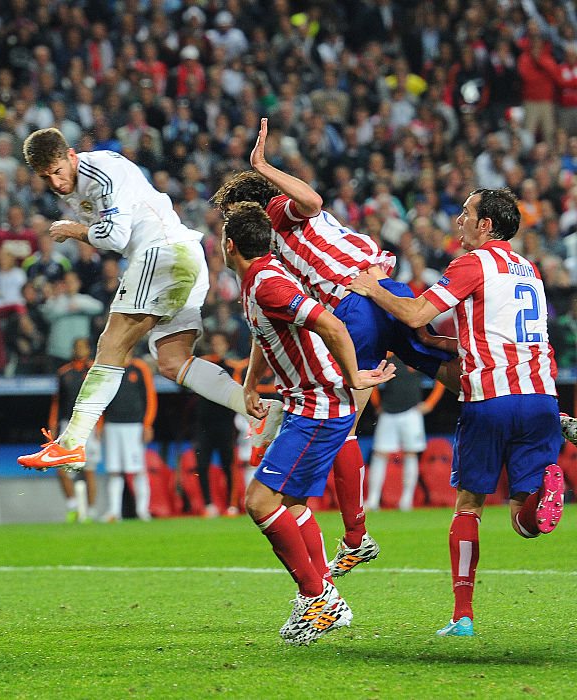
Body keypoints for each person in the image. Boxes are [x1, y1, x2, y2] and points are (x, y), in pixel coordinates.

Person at [211, 118, 459, 578]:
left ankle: (356, 538)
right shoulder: (273, 252)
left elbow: (311, 200)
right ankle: (536, 408)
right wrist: (250, 379)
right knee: (444, 368)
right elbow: (269, 327)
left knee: (341, 419)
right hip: (383, 290)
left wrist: (263, 165)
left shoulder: (278, 215)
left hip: (352, 305)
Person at [348, 187, 565, 638]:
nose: (458, 220)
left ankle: (462, 616)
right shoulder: (529, 270)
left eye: (466, 213)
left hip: (490, 398)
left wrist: (373, 288)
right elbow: (498, 335)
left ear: (486, 225)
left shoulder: (472, 263)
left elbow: (414, 313)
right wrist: (435, 342)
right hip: (541, 396)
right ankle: (542, 495)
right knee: (523, 522)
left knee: (469, 505)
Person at [17, 127, 282, 471]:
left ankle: (71, 443)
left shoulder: (100, 172)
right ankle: (258, 412)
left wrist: (74, 230)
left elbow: (115, 236)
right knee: (173, 361)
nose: (55, 182)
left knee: (112, 344)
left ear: (70, 155)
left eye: (57, 171)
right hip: (184, 257)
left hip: (162, 254)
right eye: (45, 177)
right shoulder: (78, 185)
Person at [223, 201, 394, 645]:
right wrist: (250, 383)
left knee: (260, 502)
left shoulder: (269, 283)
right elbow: (266, 334)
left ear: (229, 244)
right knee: (292, 504)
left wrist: (354, 375)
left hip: (319, 405)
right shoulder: (259, 280)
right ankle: (325, 595)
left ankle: (317, 598)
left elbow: (331, 325)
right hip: (309, 403)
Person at [366, 358, 444, 512]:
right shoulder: (387, 356)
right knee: (380, 454)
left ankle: (407, 501)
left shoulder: (416, 355)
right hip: (388, 411)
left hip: (412, 412)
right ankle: (373, 500)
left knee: (411, 454)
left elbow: (440, 379)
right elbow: (372, 380)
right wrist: (377, 403)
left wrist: (430, 403)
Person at [191, 332, 243, 517]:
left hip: (225, 421)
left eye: (220, 343)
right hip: (204, 422)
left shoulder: (232, 367)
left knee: (228, 463)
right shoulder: (202, 364)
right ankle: (208, 504)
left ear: (226, 346)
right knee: (202, 464)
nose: (217, 346)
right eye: (214, 343)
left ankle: (231, 504)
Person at [48, 338, 101, 522]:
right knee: (62, 469)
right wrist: (53, 425)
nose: (79, 350)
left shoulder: (95, 370)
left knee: (89, 470)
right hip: (68, 425)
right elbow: (57, 403)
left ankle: (91, 511)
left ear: (88, 349)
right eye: (76, 347)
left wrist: (100, 426)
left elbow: (101, 399)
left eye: (82, 347)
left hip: (89, 425)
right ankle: (73, 506)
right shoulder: (64, 373)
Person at [100, 352, 157, 523]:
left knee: (138, 469)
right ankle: (114, 511)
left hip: (134, 426)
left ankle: (142, 511)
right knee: (114, 470)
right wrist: (100, 424)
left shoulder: (140, 368)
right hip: (112, 425)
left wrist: (147, 424)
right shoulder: (108, 368)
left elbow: (150, 397)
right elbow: (100, 398)